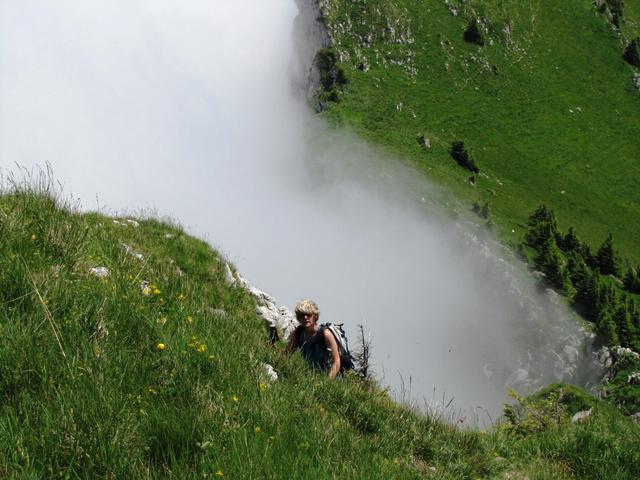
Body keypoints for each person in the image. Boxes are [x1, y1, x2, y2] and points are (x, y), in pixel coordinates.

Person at [286, 299, 341, 379]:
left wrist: (327, 383)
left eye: (308, 315)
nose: (305, 318)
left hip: (333, 379)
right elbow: (286, 354)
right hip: (313, 378)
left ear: (315, 316)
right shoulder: (298, 333)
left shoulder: (326, 334)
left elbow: (336, 362)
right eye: (302, 315)